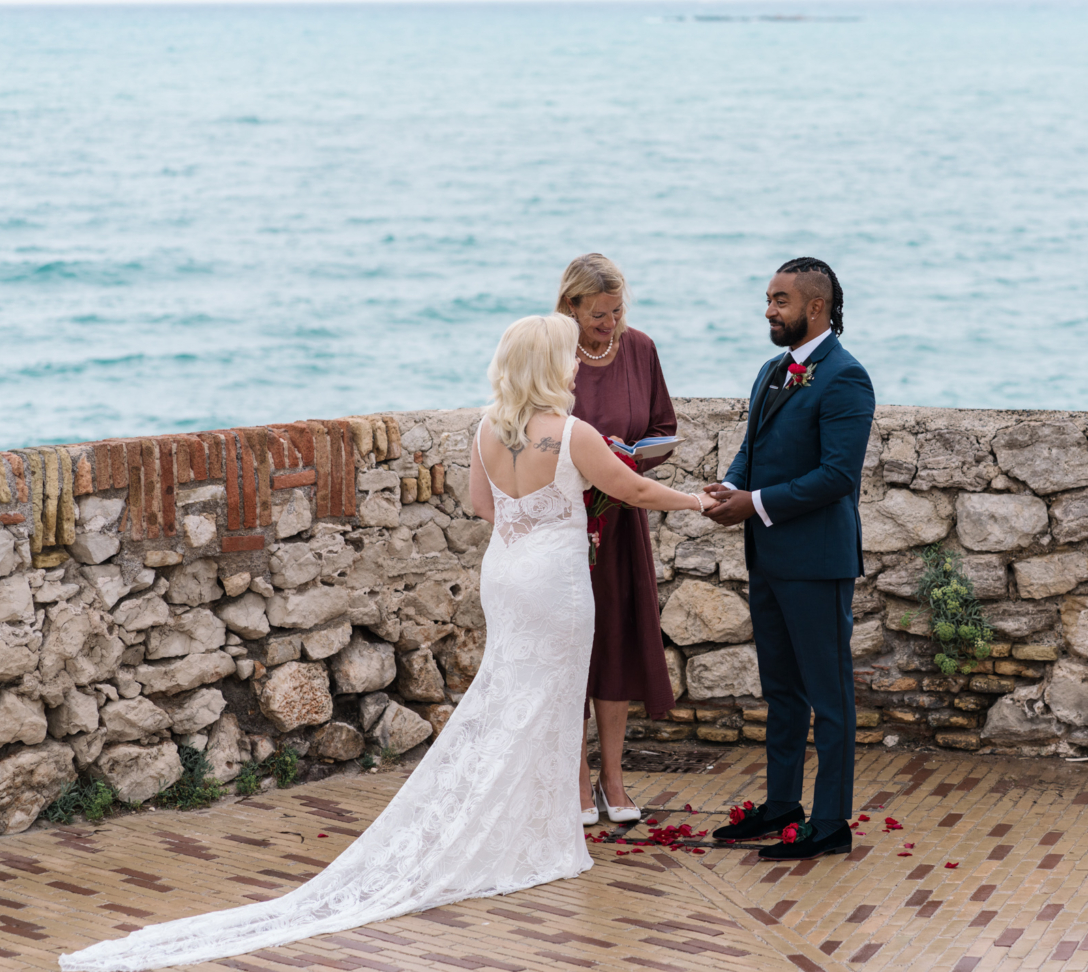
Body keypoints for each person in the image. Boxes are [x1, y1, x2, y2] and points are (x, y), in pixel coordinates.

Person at [59, 313, 716, 972]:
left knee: (512, 693)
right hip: (555, 580)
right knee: (550, 697)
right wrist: (695, 502)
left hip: (507, 571)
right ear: (549, 366)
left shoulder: (490, 429)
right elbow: (628, 487)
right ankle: (541, 831)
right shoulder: (571, 434)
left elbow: (483, 506)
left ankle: (533, 818)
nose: (577, 366)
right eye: (568, 357)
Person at [703, 257, 875, 862]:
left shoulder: (845, 378)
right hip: (768, 556)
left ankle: (830, 821)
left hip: (817, 562)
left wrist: (755, 504)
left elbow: (836, 477)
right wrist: (729, 490)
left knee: (829, 697)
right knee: (780, 691)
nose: (769, 310)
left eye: (780, 301)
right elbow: (750, 452)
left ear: (816, 308)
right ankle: (782, 804)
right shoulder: (773, 370)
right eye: (769, 299)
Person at [557, 254, 678, 825]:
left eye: (617, 311)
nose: (611, 324)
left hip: (621, 518)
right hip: (566, 524)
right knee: (571, 648)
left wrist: (631, 457)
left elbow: (663, 430)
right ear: (571, 307)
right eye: (599, 315)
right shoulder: (550, 354)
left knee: (616, 645)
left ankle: (613, 778)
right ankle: (576, 782)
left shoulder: (641, 349)